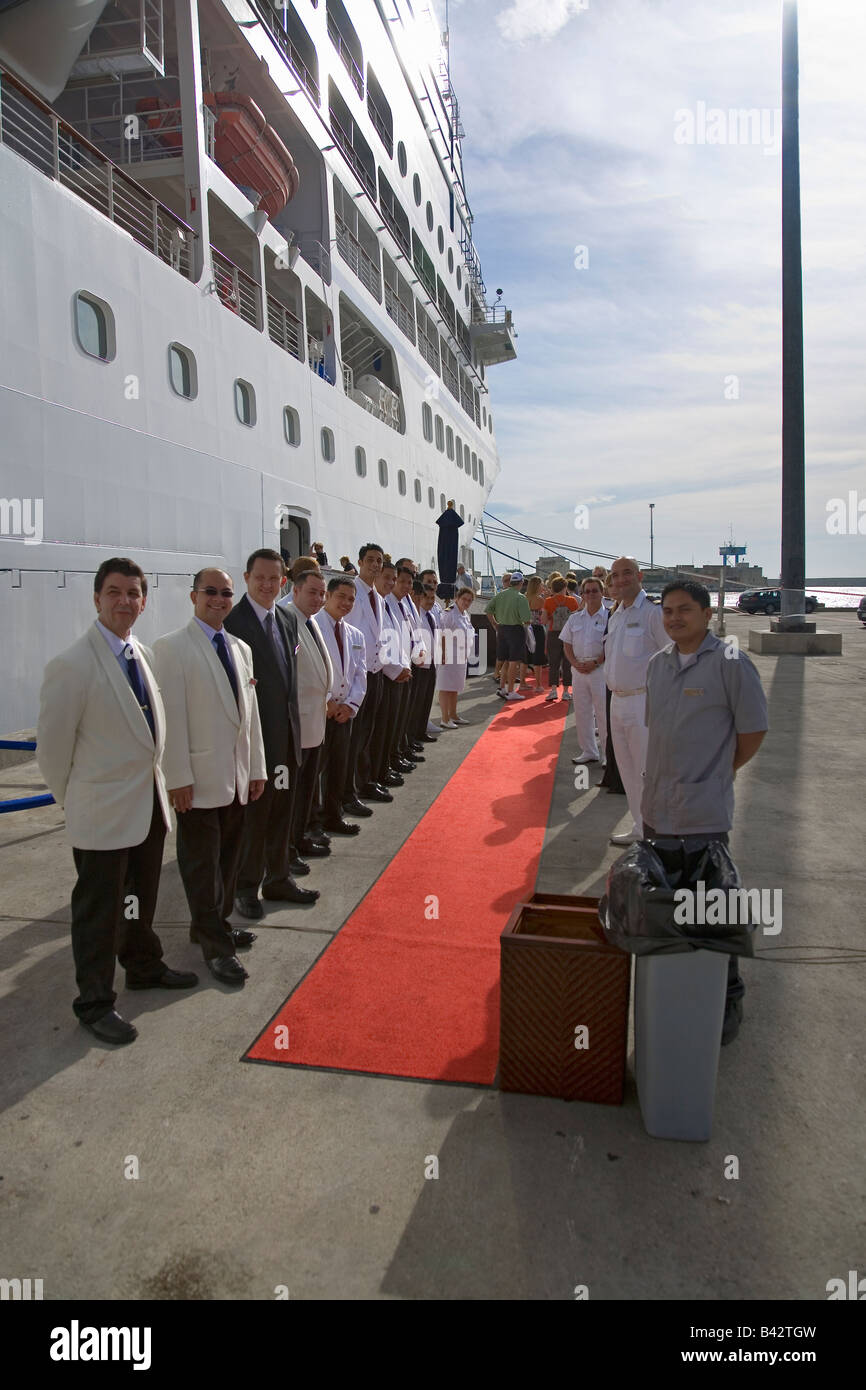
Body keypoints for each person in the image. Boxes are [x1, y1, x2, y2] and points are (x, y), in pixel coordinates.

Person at [36, 558, 198, 1044]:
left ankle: (142, 964)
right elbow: (52, 753)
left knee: (138, 898)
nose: (124, 602)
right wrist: (79, 803)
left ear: (144, 601)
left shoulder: (140, 655)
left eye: (133, 593)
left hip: (146, 807)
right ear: (96, 599)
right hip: (101, 815)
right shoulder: (72, 665)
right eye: (114, 592)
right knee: (98, 911)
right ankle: (94, 1001)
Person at [641, 580, 769, 1043]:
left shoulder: (731, 664)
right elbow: (658, 731)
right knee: (670, 908)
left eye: (684, 611)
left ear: (706, 614)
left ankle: (727, 997)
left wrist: (717, 772)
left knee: (714, 909)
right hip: (657, 811)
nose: (674, 618)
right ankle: (680, 988)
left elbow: (753, 731)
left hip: (703, 814)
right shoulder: (657, 666)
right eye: (668, 611)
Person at [153, 569, 266, 985]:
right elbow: (171, 722)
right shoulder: (171, 648)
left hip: (236, 779)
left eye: (225, 593)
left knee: (228, 862)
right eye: (210, 592)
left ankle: (209, 926)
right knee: (202, 868)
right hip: (196, 781)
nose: (218, 599)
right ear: (193, 596)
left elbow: (249, 718)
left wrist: (256, 769)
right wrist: (177, 777)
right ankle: (217, 949)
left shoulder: (239, 648)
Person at [224, 549, 315, 916]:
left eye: (273, 579)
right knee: (254, 820)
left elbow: (287, 674)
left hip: (286, 739)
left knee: (282, 813)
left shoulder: (286, 619)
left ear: (283, 582)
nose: (266, 585)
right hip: (256, 742)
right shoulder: (232, 623)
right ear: (246, 578)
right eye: (259, 578)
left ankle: (277, 878)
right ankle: (246, 887)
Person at [604, 555, 669, 845]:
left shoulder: (652, 613)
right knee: (628, 770)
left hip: (644, 702)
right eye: (616, 575)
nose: (620, 580)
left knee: (646, 772)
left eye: (627, 573)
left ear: (639, 577)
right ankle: (640, 828)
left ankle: (657, 833)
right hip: (617, 701)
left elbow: (672, 657)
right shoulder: (617, 613)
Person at [279, 568, 334, 863]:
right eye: (312, 592)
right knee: (292, 795)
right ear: (295, 591)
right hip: (297, 723)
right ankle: (286, 849)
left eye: (322, 593)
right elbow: (291, 664)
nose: (319, 598)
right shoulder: (287, 620)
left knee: (306, 792)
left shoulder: (309, 621)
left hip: (315, 721)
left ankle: (299, 839)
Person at [311, 576, 368, 833]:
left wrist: (350, 706)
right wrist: (326, 702)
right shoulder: (311, 627)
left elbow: (360, 674)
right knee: (313, 774)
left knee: (338, 768)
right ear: (328, 596)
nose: (346, 603)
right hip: (319, 713)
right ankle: (310, 824)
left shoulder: (355, 634)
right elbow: (307, 670)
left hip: (344, 714)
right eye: (341, 597)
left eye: (351, 599)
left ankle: (333, 815)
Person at [347, 543, 390, 805]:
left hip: (375, 673)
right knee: (354, 738)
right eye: (371, 560)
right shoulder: (351, 593)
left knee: (368, 734)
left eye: (379, 561)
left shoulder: (378, 597)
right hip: (355, 674)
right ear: (360, 562)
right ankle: (349, 790)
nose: (375, 565)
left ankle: (365, 782)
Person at [561, 576, 609, 765]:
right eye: (586, 591)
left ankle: (606, 754)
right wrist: (573, 662)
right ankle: (589, 751)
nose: (590, 594)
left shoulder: (609, 617)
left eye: (594, 590)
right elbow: (567, 642)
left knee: (603, 713)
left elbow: (611, 644)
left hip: (600, 670)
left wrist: (596, 662)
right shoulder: (575, 618)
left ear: (602, 592)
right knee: (582, 712)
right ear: (582, 594)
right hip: (579, 669)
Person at [486, 571, 531, 700]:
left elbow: (488, 610)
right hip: (515, 630)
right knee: (513, 662)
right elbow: (526, 619)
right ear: (521, 583)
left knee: (505, 660)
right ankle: (511, 691)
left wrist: (495, 623)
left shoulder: (500, 595)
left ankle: (502, 688)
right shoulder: (520, 597)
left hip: (502, 630)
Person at [436, 586, 476, 728]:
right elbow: (442, 634)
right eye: (464, 599)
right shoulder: (449, 613)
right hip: (449, 655)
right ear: (457, 598)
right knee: (445, 686)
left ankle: (453, 715)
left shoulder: (465, 614)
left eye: (469, 600)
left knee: (455, 687)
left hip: (461, 656)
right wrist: (442, 653)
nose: (466, 602)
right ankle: (444, 718)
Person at [543, 578, 579, 701]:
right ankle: (566, 691)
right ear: (565, 587)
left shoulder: (548, 601)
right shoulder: (572, 601)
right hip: (569, 635)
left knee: (554, 663)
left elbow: (543, 620)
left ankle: (553, 690)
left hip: (554, 634)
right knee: (567, 663)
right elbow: (577, 619)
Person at [524, 575, 548, 692]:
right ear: (538, 585)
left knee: (525, 657)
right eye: (542, 584)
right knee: (538, 658)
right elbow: (545, 616)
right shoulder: (540, 599)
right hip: (537, 629)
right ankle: (538, 685)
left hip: (526, 628)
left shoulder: (524, 597)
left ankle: (523, 683)